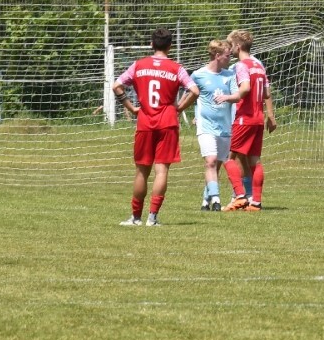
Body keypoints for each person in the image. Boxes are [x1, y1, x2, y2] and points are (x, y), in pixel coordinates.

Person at [113, 27, 200, 226]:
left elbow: (116, 86)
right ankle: (152, 218)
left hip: (145, 121)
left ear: (152, 44)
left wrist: (131, 107)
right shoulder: (176, 68)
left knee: (142, 171)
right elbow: (194, 91)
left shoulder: (138, 65)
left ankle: (136, 218)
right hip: (168, 122)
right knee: (162, 171)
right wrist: (178, 107)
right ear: (169, 46)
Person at [222, 29, 277, 212]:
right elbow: (267, 93)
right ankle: (256, 202)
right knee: (255, 161)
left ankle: (239, 196)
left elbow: (244, 88)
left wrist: (228, 97)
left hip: (244, 118)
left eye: (230, 46)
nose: (229, 50)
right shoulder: (258, 65)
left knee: (228, 158)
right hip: (258, 119)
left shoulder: (241, 65)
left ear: (237, 46)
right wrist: (270, 116)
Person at [191, 39, 241, 212]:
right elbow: (190, 95)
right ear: (218, 56)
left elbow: (238, 95)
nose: (230, 58)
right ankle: (217, 200)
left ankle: (206, 201)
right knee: (210, 162)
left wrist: (227, 98)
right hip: (205, 127)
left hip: (224, 128)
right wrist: (194, 114)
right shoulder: (198, 75)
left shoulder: (229, 75)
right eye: (228, 56)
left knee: (216, 166)